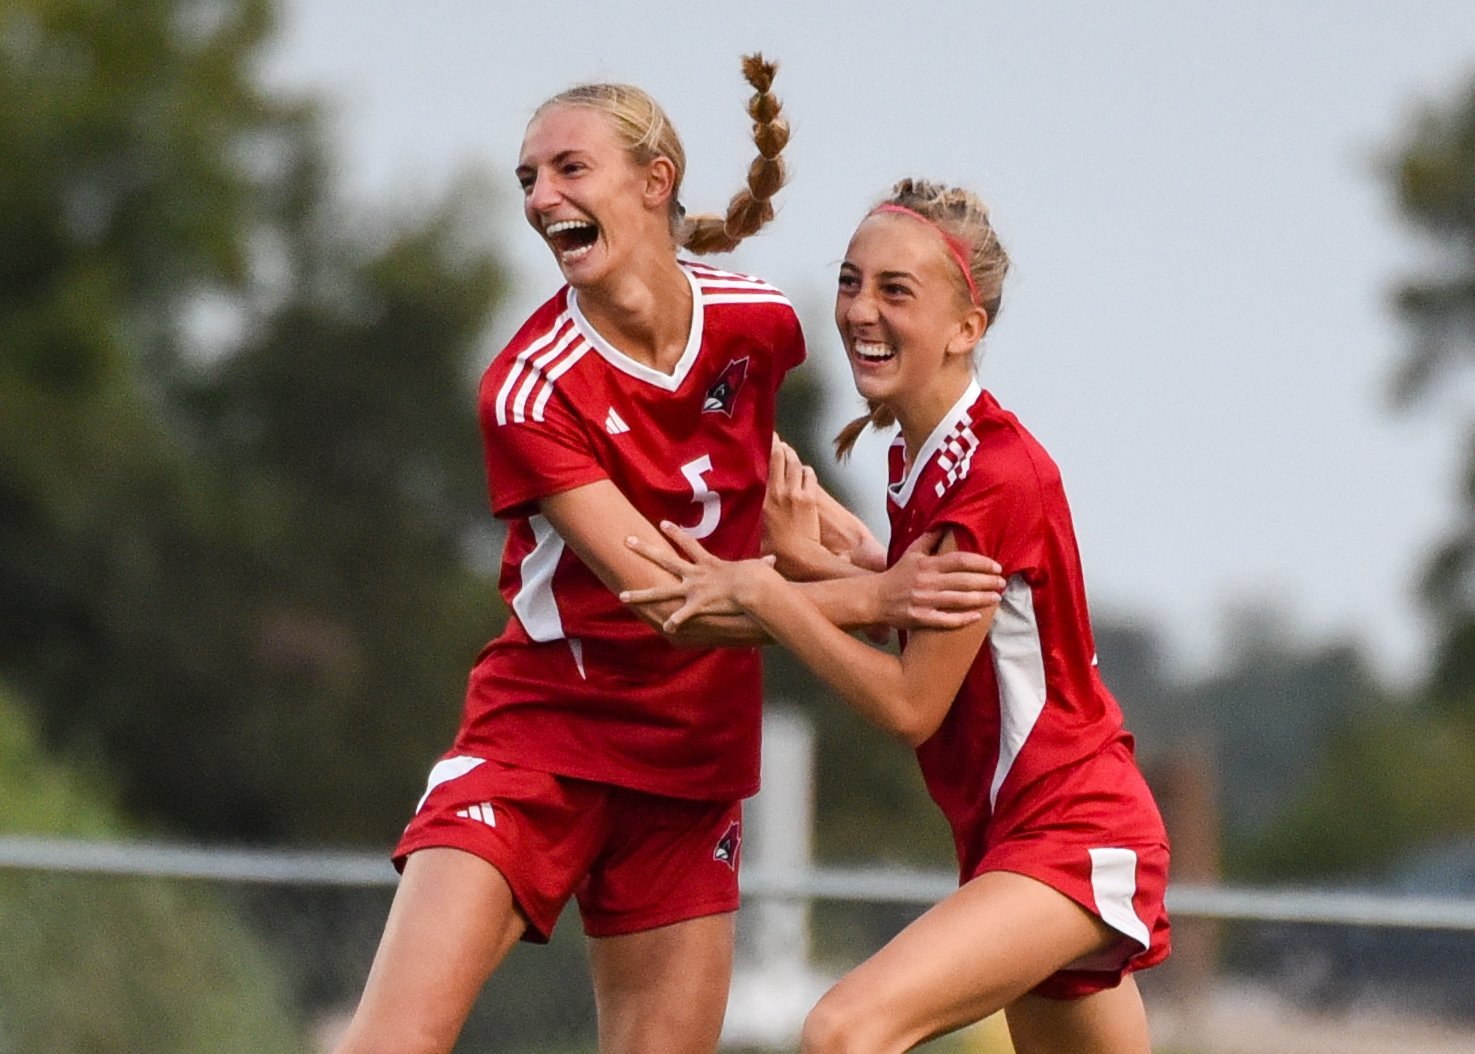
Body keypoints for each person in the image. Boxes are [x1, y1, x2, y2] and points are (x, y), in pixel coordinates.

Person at [332, 60, 1005, 1054]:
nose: (541, 198)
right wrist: (878, 594)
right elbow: (666, 597)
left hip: (692, 763)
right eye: (527, 179)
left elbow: (777, 494)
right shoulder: (528, 390)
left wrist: (870, 548)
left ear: (656, 182)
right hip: (541, 740)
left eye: (568, 168)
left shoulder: (758, 324)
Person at [622, 178, 1172, 1054]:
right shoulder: (933, 459)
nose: (858, 311)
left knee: (841, 1031)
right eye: (849, 282)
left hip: (1071, 834)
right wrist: (821, 565)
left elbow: (913, 701)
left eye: (894, 290)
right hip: (1018, 838)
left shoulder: (990, 474)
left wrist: (770, 595)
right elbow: (954, 622)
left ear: (966, 328)